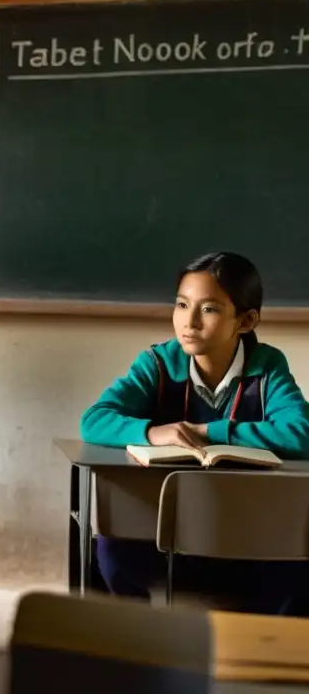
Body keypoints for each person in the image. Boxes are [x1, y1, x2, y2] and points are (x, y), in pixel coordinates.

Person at [81, 251, 309, 615]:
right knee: (110, 547)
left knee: (299, 560)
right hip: (165, 539)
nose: (189, 322)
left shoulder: (267, 367)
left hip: (251, 540)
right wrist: (154, 433)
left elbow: (301, 433)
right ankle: (136, 643)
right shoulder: (158, 363)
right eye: (182, 305)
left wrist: (208, 432)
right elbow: (93, 420)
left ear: (246, 321)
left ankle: (266, 650)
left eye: (210, 309)